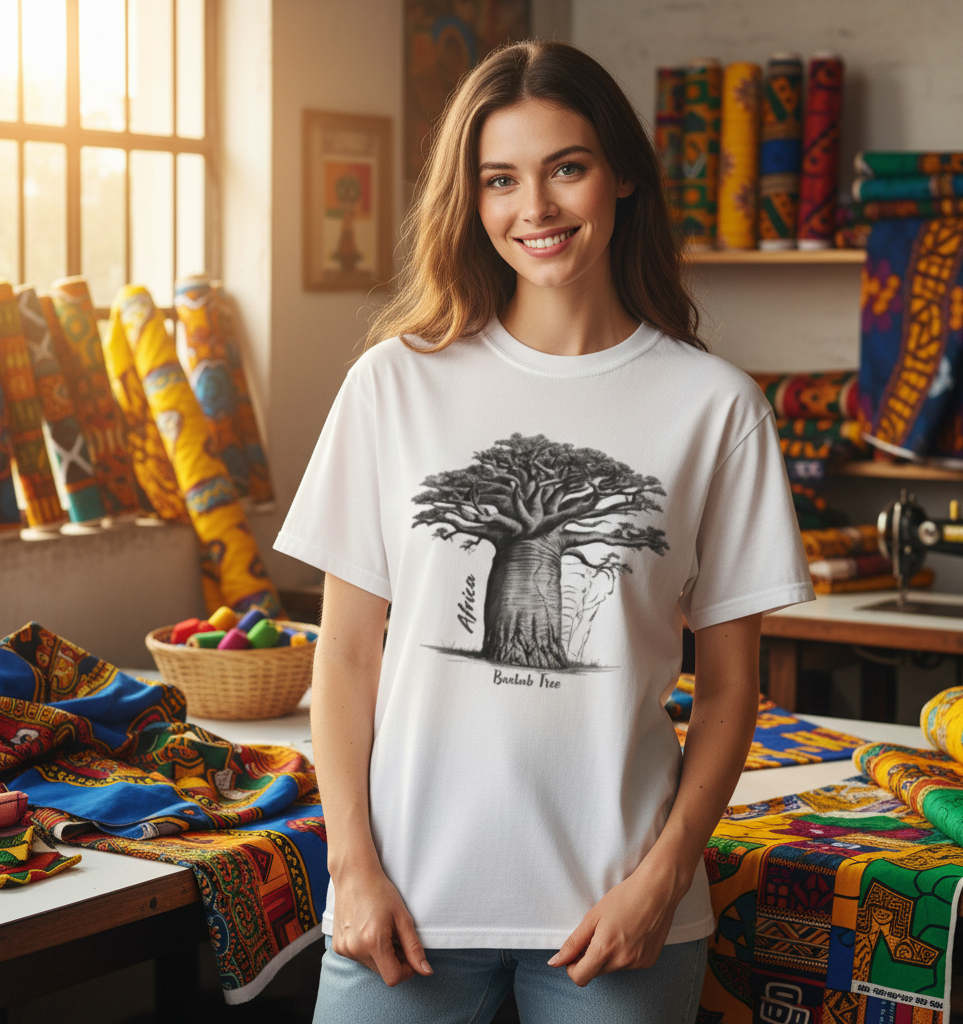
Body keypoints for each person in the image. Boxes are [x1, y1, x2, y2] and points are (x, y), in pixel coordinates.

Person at [275, 39, 813, 1024]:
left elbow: (733, 684)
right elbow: (345, 658)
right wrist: (349, 868)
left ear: (621, 180)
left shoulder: (713, 406)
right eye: (500, 179)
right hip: (402, 905)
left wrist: (662, 879)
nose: (536, 209)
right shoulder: (395, 384)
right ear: (470, 201)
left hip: (620, 915)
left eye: (565, 167)